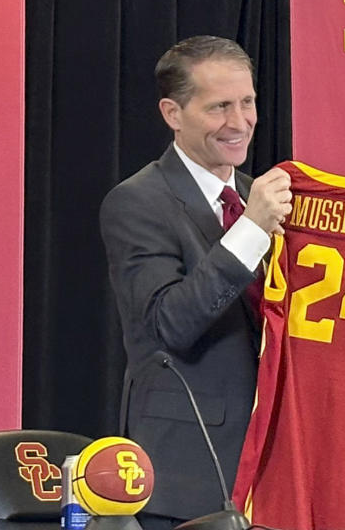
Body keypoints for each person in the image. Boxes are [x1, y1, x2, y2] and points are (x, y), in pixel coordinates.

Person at [99, 36, 291, 530]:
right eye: (219, 107)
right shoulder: (138, 202)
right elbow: (171, 324)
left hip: (272, 471)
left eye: (247, 102)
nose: (240, 121)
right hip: (187, 475)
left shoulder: (256, 196)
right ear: (173, 112)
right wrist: (250, 231)